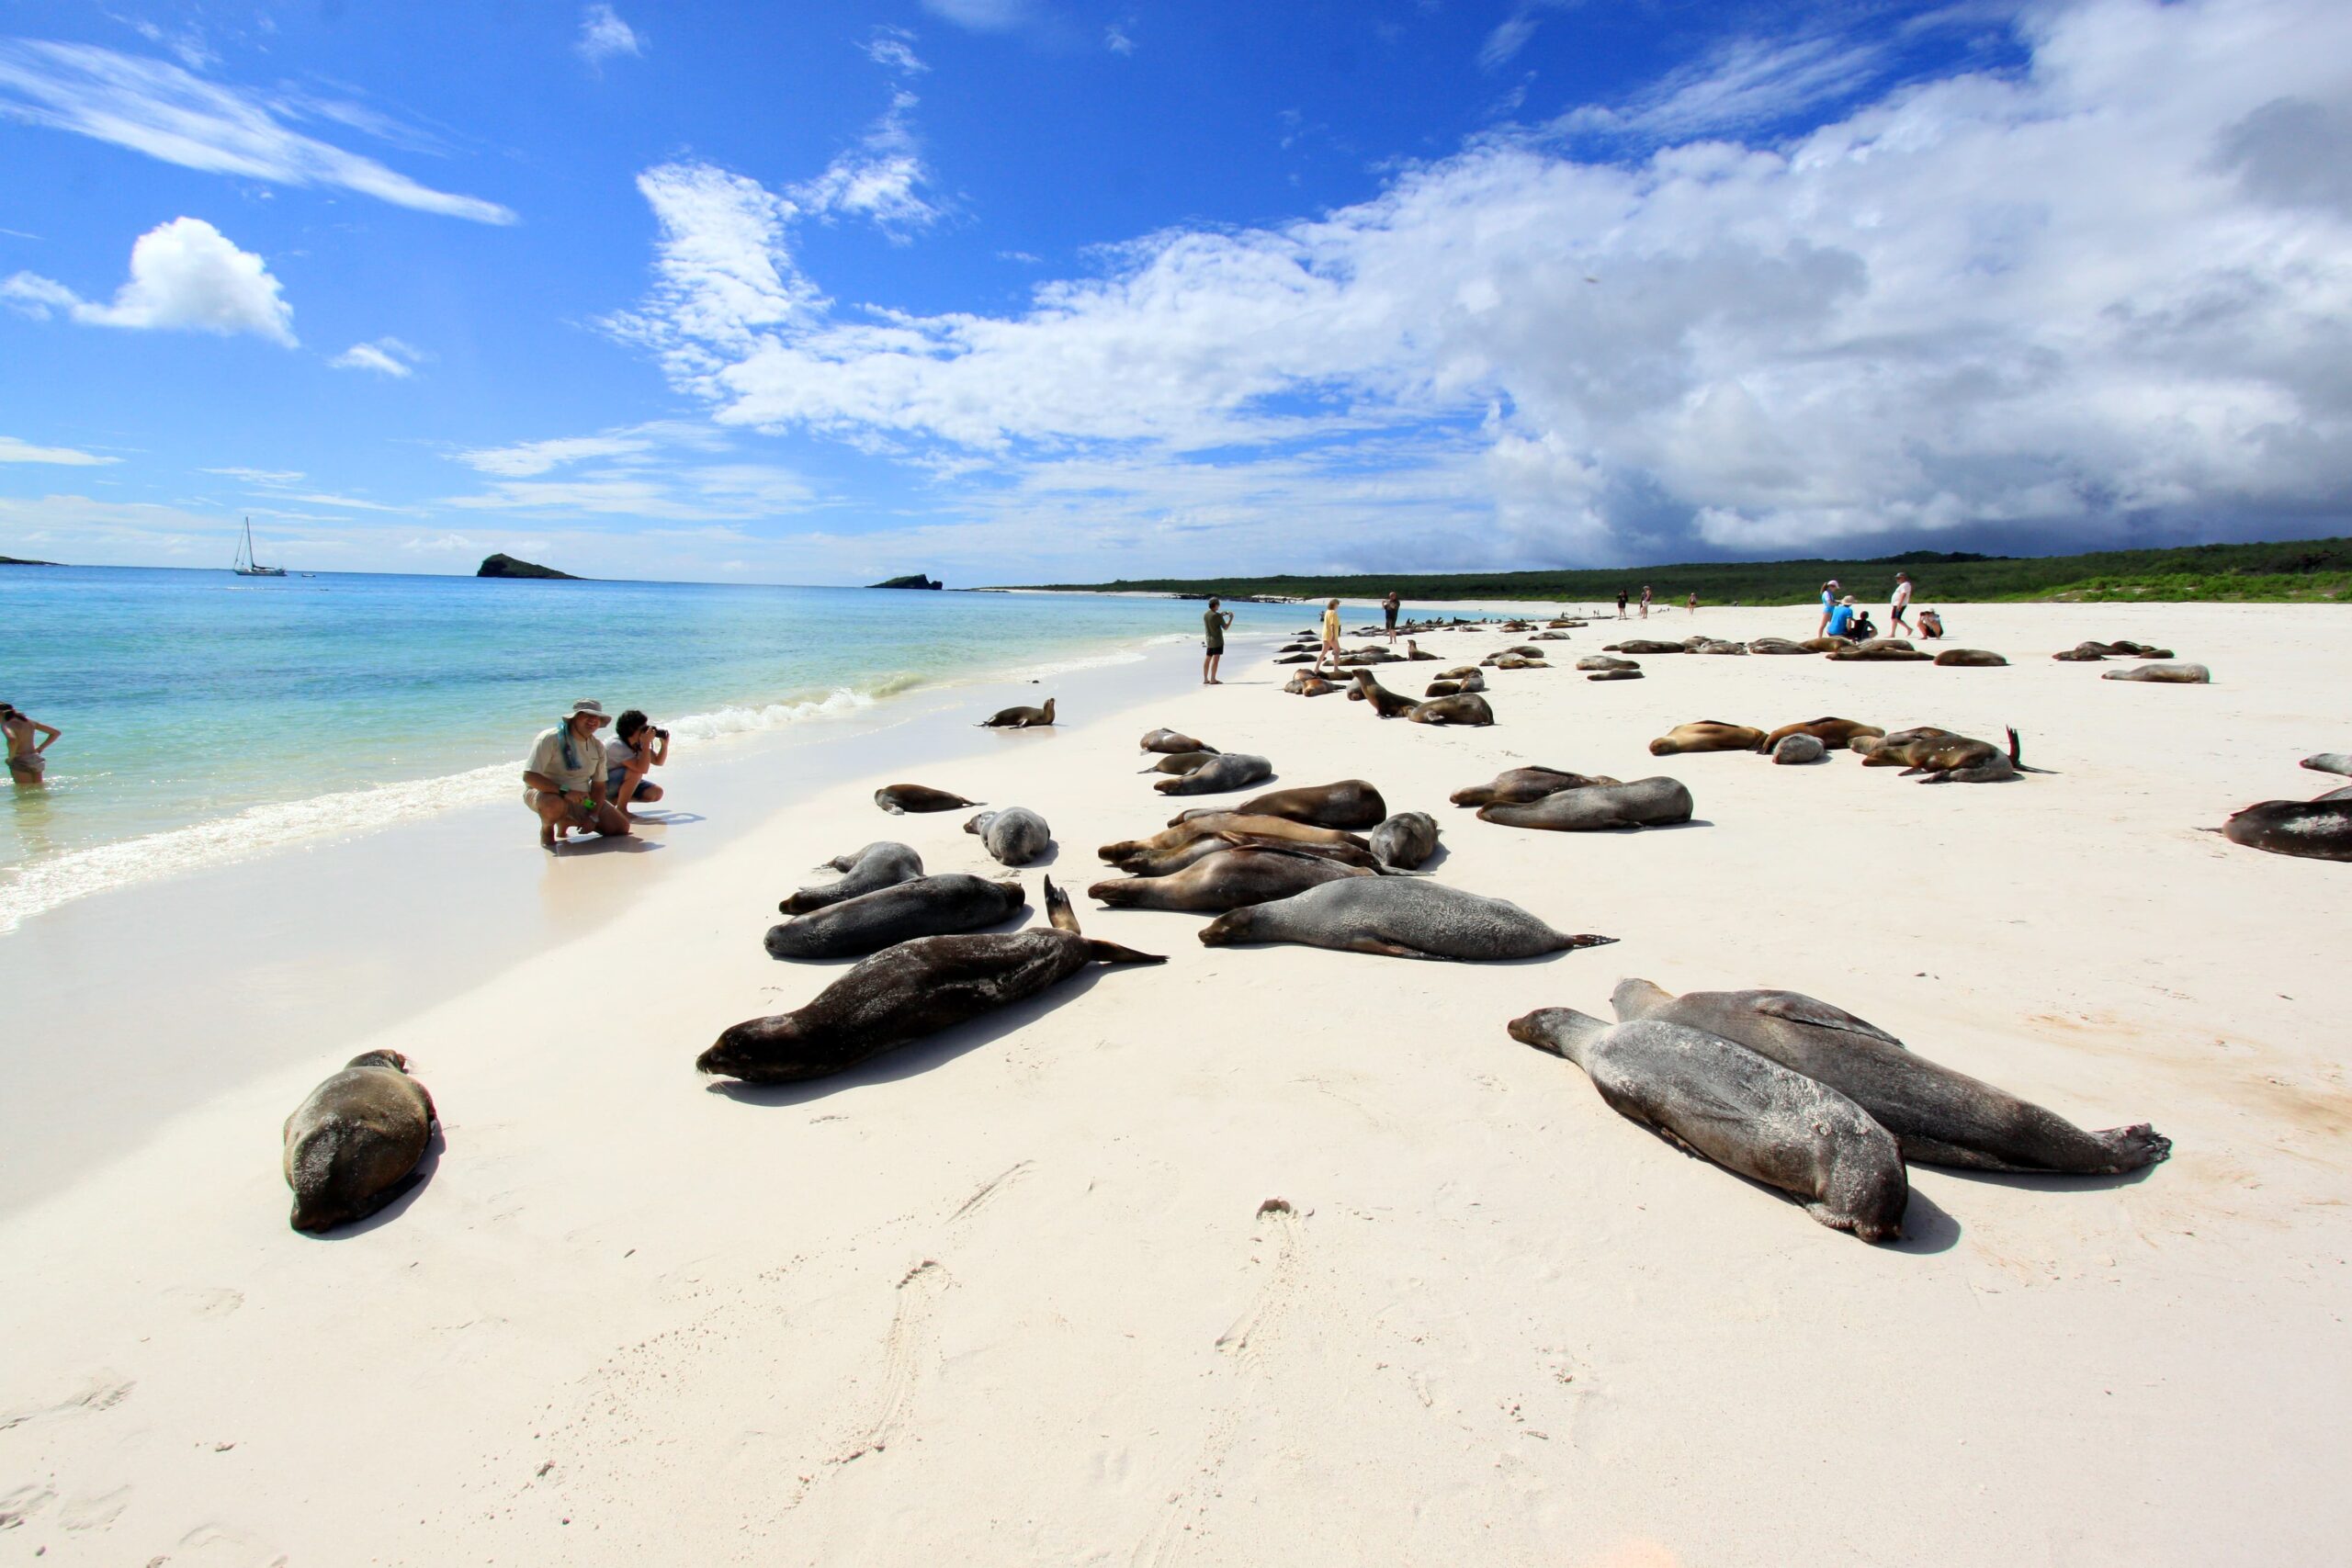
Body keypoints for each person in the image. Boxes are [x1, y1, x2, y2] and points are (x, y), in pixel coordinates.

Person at [522, 698, 628, 850]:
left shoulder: (597, 747)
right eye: (587, 715)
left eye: (596, 717)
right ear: (575, 717)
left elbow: (599, 786)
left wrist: (593, 815)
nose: (593, 720)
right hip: (546, 794)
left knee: (621, 827)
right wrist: (565, 791)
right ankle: (547, 828)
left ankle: (566, 820)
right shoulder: (549, 738)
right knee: (553, 804)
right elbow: (529, 777)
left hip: (583, 800)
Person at [605, 709, 671, 811]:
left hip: (622, 783)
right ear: (631, 729)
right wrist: (646, 744)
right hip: (603, 786)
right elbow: (642, 769)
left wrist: (664, 745)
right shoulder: (616, 745)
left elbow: (658, 761)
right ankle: (622, 809)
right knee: (635, 772)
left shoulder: (638, 743)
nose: (646, 731)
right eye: (643, 728)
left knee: (656, 793)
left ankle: (616, 800)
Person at [2, 702, 60, 785]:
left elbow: (12, 740)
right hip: (35, 759)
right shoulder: (28, 721)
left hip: (20, 759)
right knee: (38, 790)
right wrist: (40, 748)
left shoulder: (7, 725)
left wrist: (11, 758)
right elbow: (56, 733)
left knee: (24, 793)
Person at [1202, 597, 1235, 684]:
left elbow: (1214, 617)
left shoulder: (1206, 615)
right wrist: (1231, 618)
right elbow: (1225, 627)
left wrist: (1221, 615)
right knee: (1216, 660)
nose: (1219, 605)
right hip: (1217, 641)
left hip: (1209, 641)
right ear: (1216, 605)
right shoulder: (1217, 616)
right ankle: (1213, 679)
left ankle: (1205, 679)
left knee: (1208, 659)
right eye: (1218, 604)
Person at [1313, 597, 1343, 677]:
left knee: (1323, 652)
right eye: (1337, 604)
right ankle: (1336, 668)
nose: (1338, 605)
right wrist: (1333, 635)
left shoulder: (1327, 612)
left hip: (1325, 634)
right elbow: (1332, 625)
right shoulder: (1333, 613)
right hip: (1331, 634)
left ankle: (1316, 668)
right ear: (1334, 604)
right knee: (1337, 650)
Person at [1890, 570, 1915, 637]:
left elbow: (1903, 594)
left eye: (1899, 578)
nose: (1897, 579)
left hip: (1900, 604)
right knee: (1893, 618)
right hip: (1896, 603)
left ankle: (1909, 629)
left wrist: (1900, 603)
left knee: (1897, 618)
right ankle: (1892, 633)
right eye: (1897, 578)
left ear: (1903, 578)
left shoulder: (1905, 584)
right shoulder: (1902, 585)